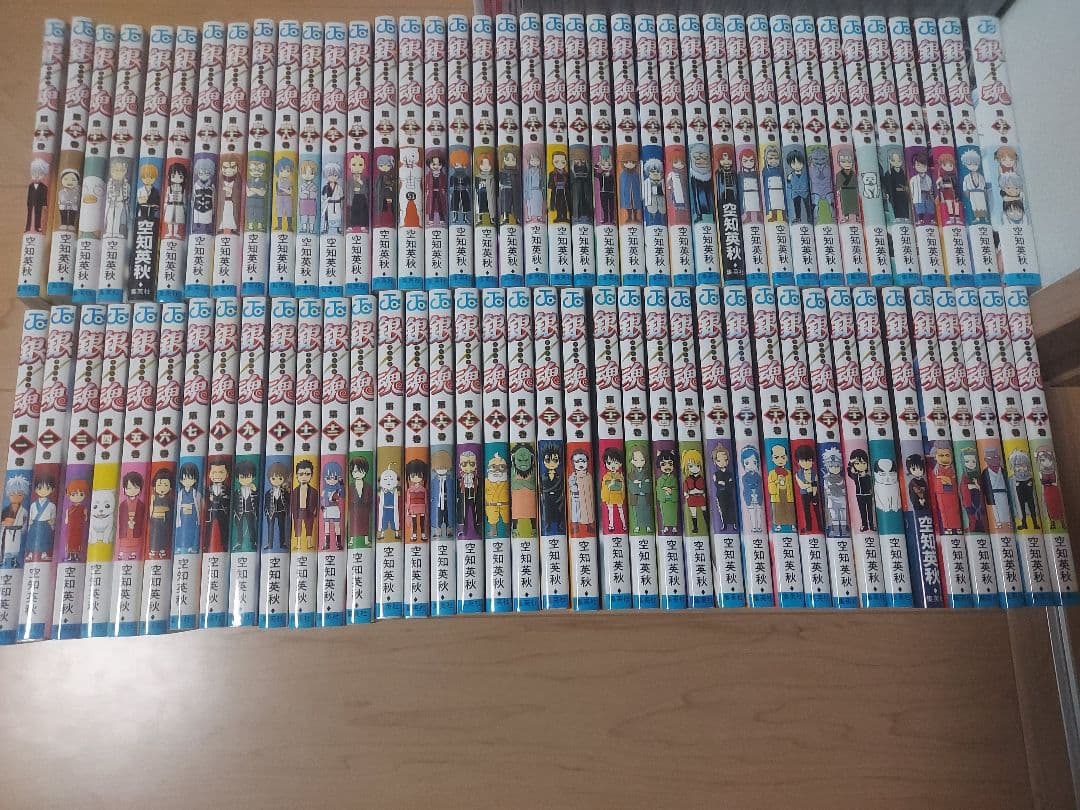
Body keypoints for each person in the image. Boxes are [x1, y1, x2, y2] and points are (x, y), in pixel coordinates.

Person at [232, 461, 259, 553]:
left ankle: (253, 542)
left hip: (250, 512)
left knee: (252, 527)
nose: (245, 480)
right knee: (239, 528)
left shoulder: (253, 490)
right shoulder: (237, 491)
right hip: (239, 513)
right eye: (242, 477)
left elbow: (257, 500)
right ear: (238, 478)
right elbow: (234, 502)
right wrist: (235, 512)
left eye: (248, 477)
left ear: (253, 477)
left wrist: (255, 491)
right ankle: (239, 542)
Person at [263, 462, 290, 551]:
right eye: (273, 478)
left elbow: (288, 500)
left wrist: (287, 509)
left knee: (282, 527)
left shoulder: (284, 492)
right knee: (270, 527)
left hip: (281, 511)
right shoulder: (268, 492)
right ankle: (269, 544)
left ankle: (283, 543)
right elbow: (266, 501)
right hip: (271, 512)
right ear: (269, 478)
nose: (277, 481)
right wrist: (266, 510)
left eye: (280, 478)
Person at [347, 457, 373, 543]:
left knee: (365, 523)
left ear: (365, 472)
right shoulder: (350, 486)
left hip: (364, 509)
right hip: (354, 508)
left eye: (360, 471)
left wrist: (369, 507)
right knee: (353, 523)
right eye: (355, 472)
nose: (357, 474)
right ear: (351, 472)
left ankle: (366, 539)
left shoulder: (368, 486)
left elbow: (370, 497)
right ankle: (352, 539)